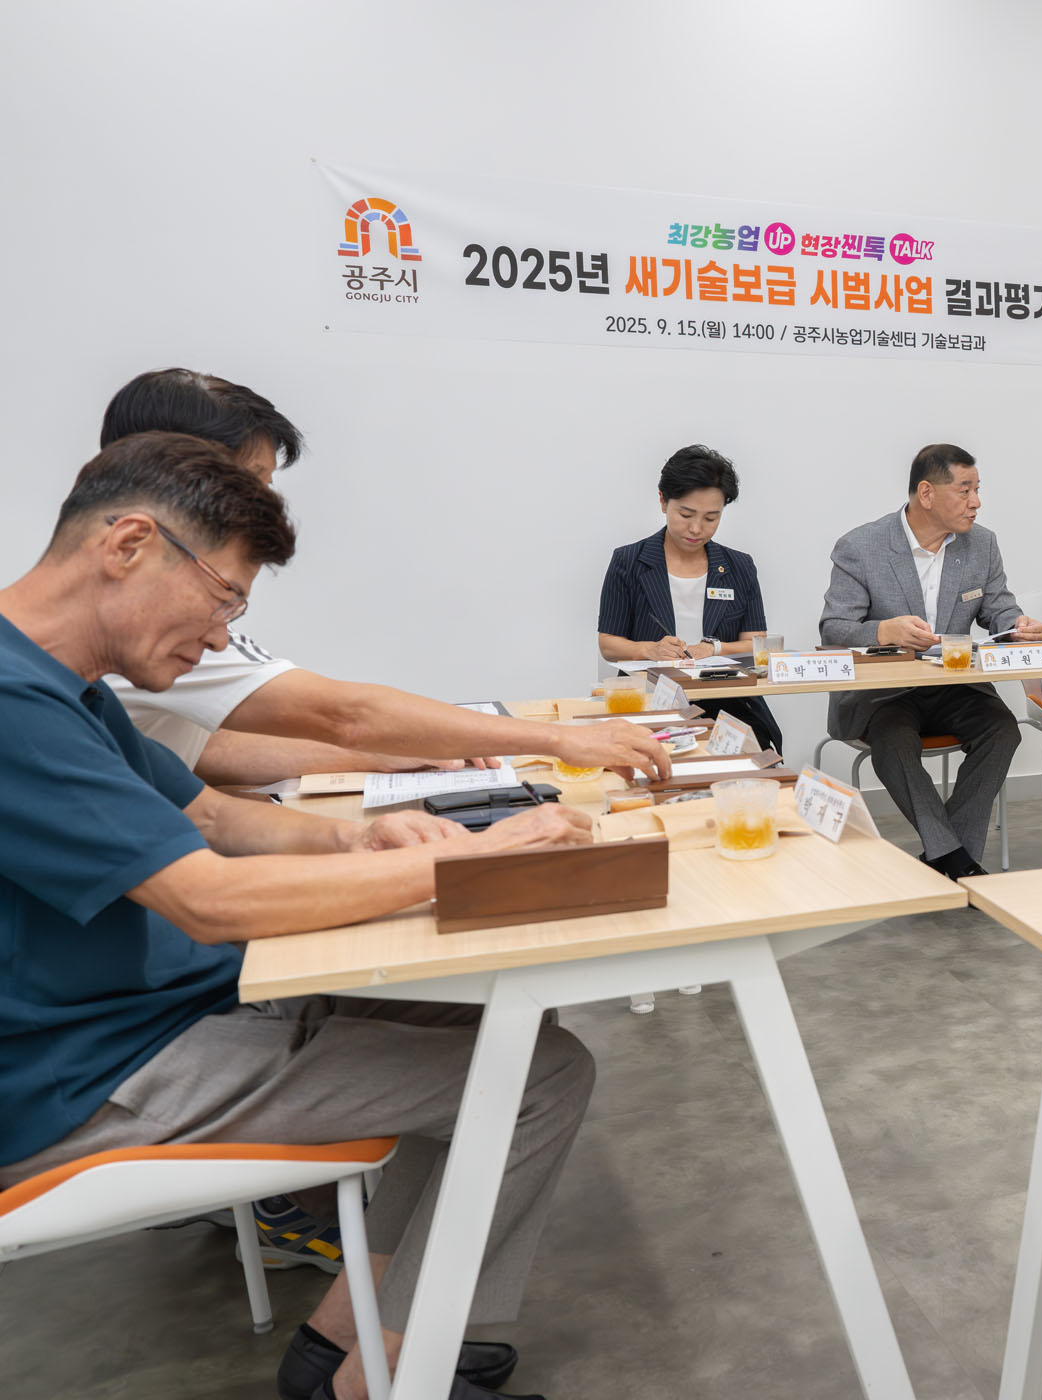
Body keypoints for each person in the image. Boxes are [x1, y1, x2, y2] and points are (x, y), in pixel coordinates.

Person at [0, 432, 597, 1400]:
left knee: (486, 1016)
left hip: (139, 1019)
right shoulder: (11, 699)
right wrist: (466, 863)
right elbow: (207, 897)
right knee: (539, 1075)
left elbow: (209, 815)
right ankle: (379, 1379)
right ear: (129, 545)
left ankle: (348, 1343)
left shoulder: (60, 685)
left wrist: (361, 842)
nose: (219, 638)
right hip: (80, 1076)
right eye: (223, 599)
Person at [99, 369, 669, 788]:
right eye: (252, 481)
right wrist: (560, 739)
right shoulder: (145, 606)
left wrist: (380, 755)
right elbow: (346, 714)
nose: (264, 505)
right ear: (170, 473)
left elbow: (204, 750)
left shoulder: (149, 591)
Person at [818, 443, 1042, 878]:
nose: (976, 502)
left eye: (977, 489)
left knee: (1002, 730)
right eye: (965, 490)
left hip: (954, 684)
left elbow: (998, 608)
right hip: (886, 692)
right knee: (894, 742)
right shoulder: (861, 546)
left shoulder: (981, 544)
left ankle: (947, 855)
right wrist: (884, 632)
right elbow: (834, 629)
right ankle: (958, 863)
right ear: (926, 493)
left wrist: (1017, 625)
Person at [596, 443, 782, 753]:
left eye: (711, 518)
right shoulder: (629, 561)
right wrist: (650, 649)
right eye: (686, 514)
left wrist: (713, 648)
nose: (696, 528)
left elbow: (756, 645)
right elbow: (609, 645)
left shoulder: (739, 566)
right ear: (663, 501)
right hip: (651, 699)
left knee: (756, 756)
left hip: (728, 701)